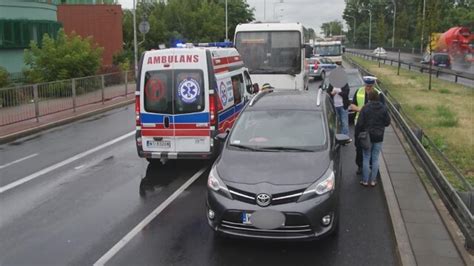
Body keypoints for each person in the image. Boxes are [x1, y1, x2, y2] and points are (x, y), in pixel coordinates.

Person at [350, 76, 385, 174]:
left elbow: (383, 110)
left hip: (373, 127)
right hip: (360, 125)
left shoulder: (378, 94)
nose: (368, 88)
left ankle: (372, 166)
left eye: (370, 86)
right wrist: (361, 109)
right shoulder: (359, 91)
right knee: (359, 146)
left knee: (373, 148)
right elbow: (352, 105)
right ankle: (361, 166)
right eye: (367, 86)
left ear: (373, 85)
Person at [355, 90, 390, 186]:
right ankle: (373, 181)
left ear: (369, 97)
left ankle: (365, 180)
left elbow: (360, 123)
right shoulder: (383, 108)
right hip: (379, 136)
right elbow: (387, 122)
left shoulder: (365, 108)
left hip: (368, 136)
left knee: (366, 157)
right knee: (375, 158)